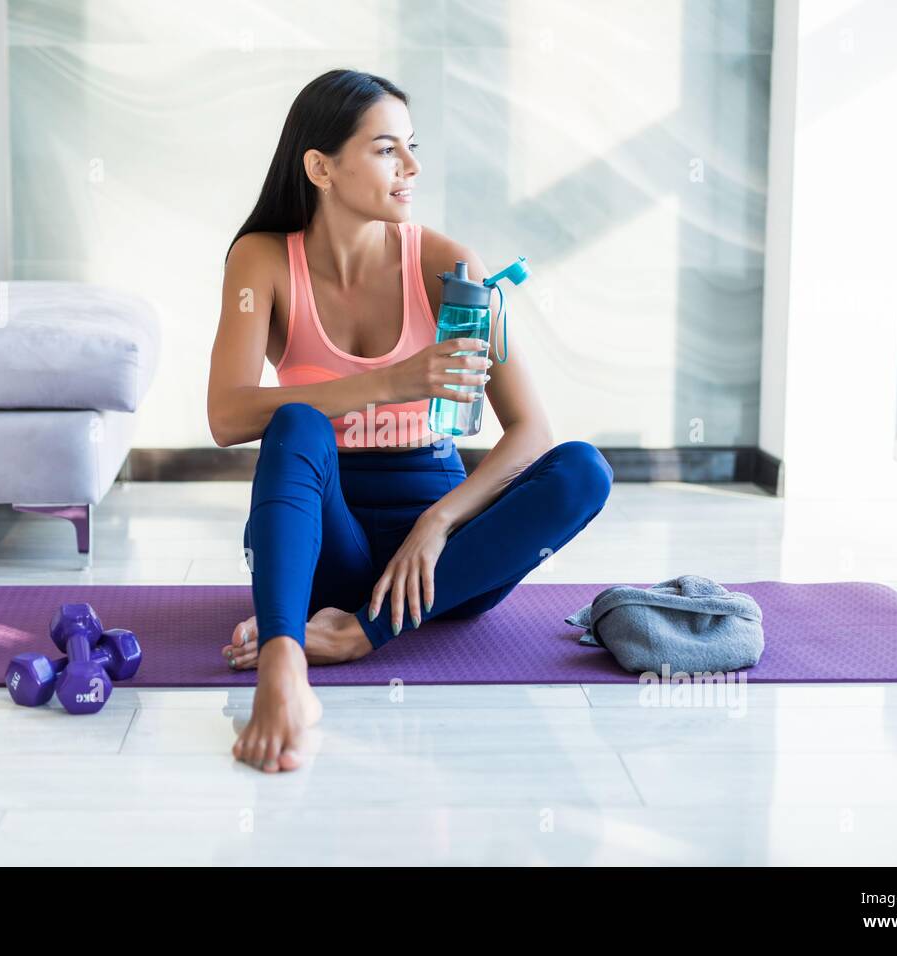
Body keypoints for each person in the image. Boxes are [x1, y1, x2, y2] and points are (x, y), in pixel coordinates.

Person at [207, 69, 613, 773]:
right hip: (324, 547)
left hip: (440, 571)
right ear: (321, 167)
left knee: (583, 469)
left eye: (412, 147)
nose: (413, 168)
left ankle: (362, 634)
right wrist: (390, 381)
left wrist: (437, 524)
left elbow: (531, 433)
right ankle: (284, 662)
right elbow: (226, 414)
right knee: (295, 425)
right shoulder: (263, 260)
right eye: (388, 149)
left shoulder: (451, 265)